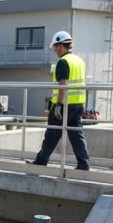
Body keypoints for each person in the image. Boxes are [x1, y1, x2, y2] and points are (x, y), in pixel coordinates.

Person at [31, 31, 90, 170]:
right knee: (76, 136)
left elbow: (63, 84)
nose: (55, 50)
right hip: (78, 104)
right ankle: (84, 164)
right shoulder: (79, 61)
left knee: (52, 134)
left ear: (61, 45)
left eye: (56, 47)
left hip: (64, 105)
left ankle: (41, 161)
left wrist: (58, 104)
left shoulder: (63, 62)